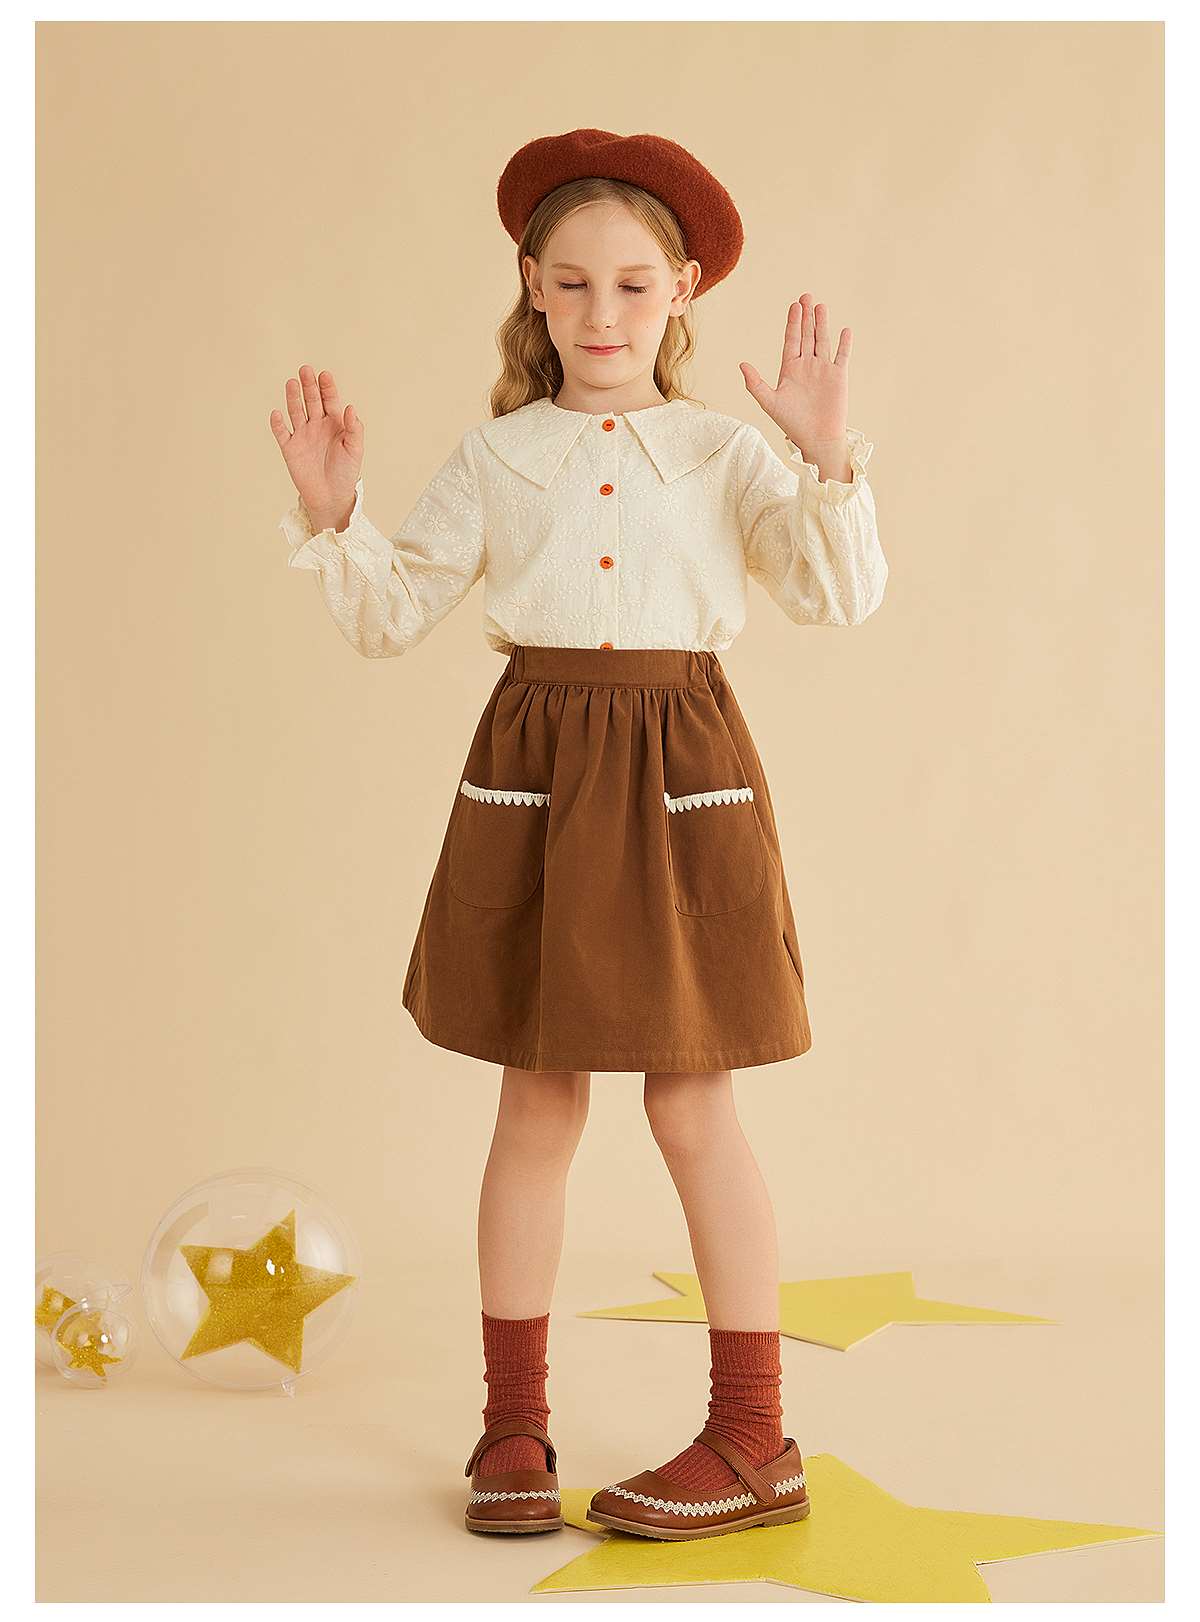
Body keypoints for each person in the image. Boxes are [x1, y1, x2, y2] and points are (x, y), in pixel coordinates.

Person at [270, 128, 887, 1542]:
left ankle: (754, 1435)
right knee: (536, 1102)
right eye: (573, 284)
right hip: (537, 779)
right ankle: (512, 1424)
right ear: (532, 290)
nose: (602, 314)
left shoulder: (725, 453)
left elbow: (835, 594)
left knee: (691, 1102)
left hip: (683, 777)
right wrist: (334, 515)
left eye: (632, 285)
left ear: (682, 293)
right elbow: (390, 614)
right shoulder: (498, 456)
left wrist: (823, 455)